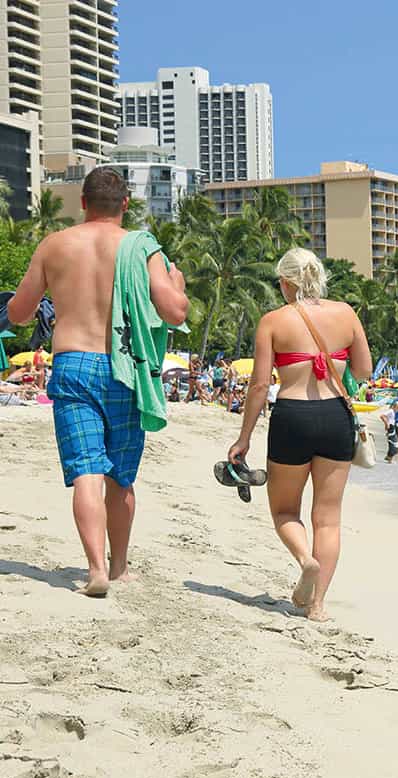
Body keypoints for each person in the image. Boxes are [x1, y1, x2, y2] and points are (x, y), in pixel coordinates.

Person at [8, 167, 189, 597]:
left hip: (73, 365)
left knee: (86, 470)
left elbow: (17, 312)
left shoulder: (55, 246)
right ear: (126, 204)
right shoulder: (143, 249)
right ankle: (121, 565)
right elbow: (174, 313)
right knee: (120, 478)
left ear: (83, 203)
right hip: (124, 368)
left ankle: (95, 570)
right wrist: (177, 285)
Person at [226, 248, 371, 622]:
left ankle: (306, 560)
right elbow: (365, 370)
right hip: (336, 416)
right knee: (328, 518)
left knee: (285, 510)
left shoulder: (273, 321)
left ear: (287, 282)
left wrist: (243, 440)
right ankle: (318, 606)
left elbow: (259, 387)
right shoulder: (346, 313)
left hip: (292, 417)